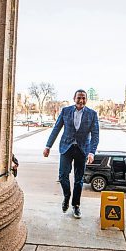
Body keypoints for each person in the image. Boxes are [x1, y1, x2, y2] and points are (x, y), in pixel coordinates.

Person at [43, 89, 99, 219]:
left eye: (83, 98)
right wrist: (48, 146)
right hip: (66, 148)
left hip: (82, 149)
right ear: (74, 98)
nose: (81, 100)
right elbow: (56, 128)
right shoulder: (65, 111)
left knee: (79, 180)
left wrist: (92, 152)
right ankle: (67, 196)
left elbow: (95, 135)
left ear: (86, 99)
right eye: (79, 97)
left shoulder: (92, 114)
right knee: (63, 176)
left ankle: (76, 205)